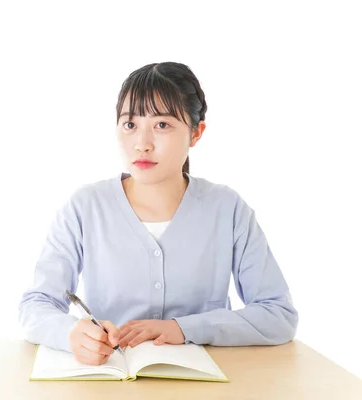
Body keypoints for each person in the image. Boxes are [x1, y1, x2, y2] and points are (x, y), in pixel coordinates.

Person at [18, 61, 298, 366]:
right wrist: (71, 333)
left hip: (207, 386)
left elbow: (278, 314)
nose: (142, 144)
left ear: (196, 133)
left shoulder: (227, 209)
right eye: (130, 125)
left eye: (162, 125)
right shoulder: (85, 207)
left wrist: (184, 328)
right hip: (109, 382)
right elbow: (36, 306)